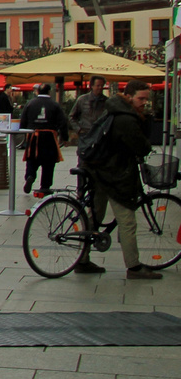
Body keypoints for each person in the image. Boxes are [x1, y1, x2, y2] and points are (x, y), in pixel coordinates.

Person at [78, 81, 159, 280]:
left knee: (94, 217)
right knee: (128, 221)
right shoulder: (127, 119)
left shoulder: (113, 110)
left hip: (98, 171)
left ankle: (82, 259)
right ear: (129, 96)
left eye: (146, 99)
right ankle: (134, 267)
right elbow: (142, 147)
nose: (144, 103)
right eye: (141, 98)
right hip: (114, 175)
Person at [19, 82, 69, 197]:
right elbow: (63, 122)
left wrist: (24, 134)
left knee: (32, 159)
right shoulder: (55, 105)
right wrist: (65, 138)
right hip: (49, 136)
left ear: (38, 92)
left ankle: (30, 176)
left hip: (33, 136)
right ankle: (45, 186)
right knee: (49, 163)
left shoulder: (30, 104)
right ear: (49, 91)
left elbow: (23, 121)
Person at [69, 76, 109, 143]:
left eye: (102, 85)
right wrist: (79, 130)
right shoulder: (82, 100)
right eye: (98, 85)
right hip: (85, 134)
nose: (100, 88)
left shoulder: (107, 101)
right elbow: (71, 116)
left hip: (100, 135)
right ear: (92, 86)